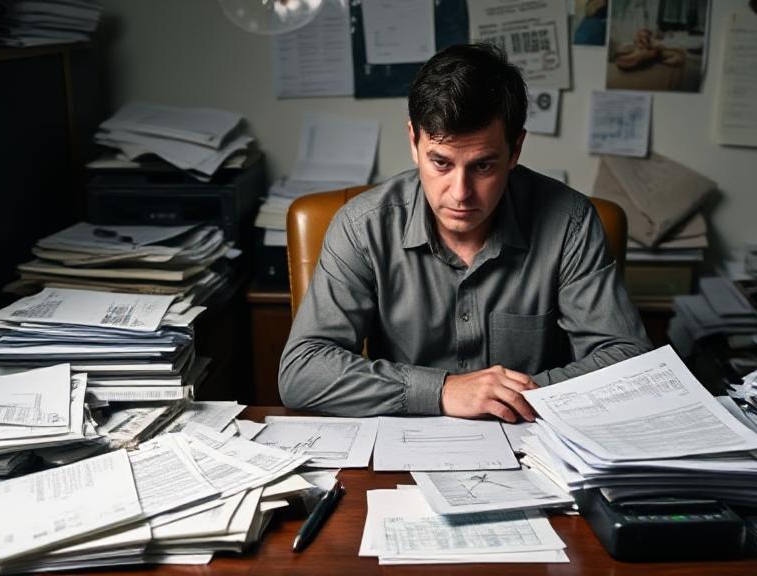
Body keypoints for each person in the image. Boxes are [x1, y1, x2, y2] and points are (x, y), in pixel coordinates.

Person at [279, 43, 651, 423]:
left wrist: (506, 398)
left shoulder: (569, 223)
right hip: (404, 452)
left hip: (535, 450)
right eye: (440, 162)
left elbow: (627, 359)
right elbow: (302, 371)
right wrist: (442, 390)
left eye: (483, 166)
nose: (460, 192)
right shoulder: (363, 227)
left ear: (515, 150)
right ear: (413, 142)